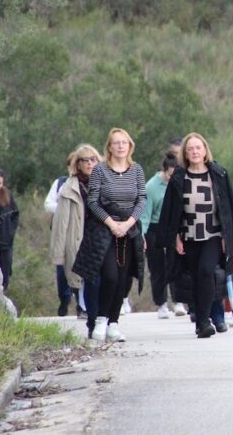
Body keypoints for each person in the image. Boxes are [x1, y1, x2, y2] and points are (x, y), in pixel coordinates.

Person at [158, 133, 233, 338]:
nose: (195, 152)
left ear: (205, 151)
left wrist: (228, 236)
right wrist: (174, 237)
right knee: (195, 277)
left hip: (212, 235)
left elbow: (229, 206)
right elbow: (170, 210)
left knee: (206, 272)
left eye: (198, 148)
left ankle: (205, 321)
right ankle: (199, 321)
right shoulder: (179, 177)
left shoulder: (218, 173)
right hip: (188, 236)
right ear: (185, 153)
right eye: (190, 149)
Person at [73, 128, 146, 343]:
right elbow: (93, 201)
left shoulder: (137, 170)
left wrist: (129, 223)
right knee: (110, 276)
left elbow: (141, 199)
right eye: (116, 143)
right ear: (110, 147)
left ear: (129, 146)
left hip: (129, 230)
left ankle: (114, 323)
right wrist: (112, 224)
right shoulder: (100, 171)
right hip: (104, 230)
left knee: (123, 280)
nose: (121, 146)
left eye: (124, 142)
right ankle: (101, 320)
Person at [49, 145, 100, 330]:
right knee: (85, 279)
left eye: (93, 159)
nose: (89, 164)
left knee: (105, 279)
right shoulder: (68, 188)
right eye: (85, 160)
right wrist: (58, 253)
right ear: (77, 164)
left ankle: (103, 317)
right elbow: (60, 223)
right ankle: (90, 316)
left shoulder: (105, 183)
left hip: (101, 237)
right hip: (78, 238)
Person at [141, 153, 179, 319]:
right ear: (164, 171)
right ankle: (161, 303)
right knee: (157, 267)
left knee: (176, 264)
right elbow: (145, 214)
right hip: (154, 228)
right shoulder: (151, 187)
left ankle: (179, 301)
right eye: (170, 175)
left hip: (173, 227)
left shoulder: (178, 182)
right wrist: (142, 235)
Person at [45, 151, 76, 316]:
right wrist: (64, 210)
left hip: (81, 232)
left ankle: (81, 303)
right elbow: (48, 203)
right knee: (62, 266)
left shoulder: (89, 182)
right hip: (62, 231)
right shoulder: (60, 183)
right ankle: (64, 298)